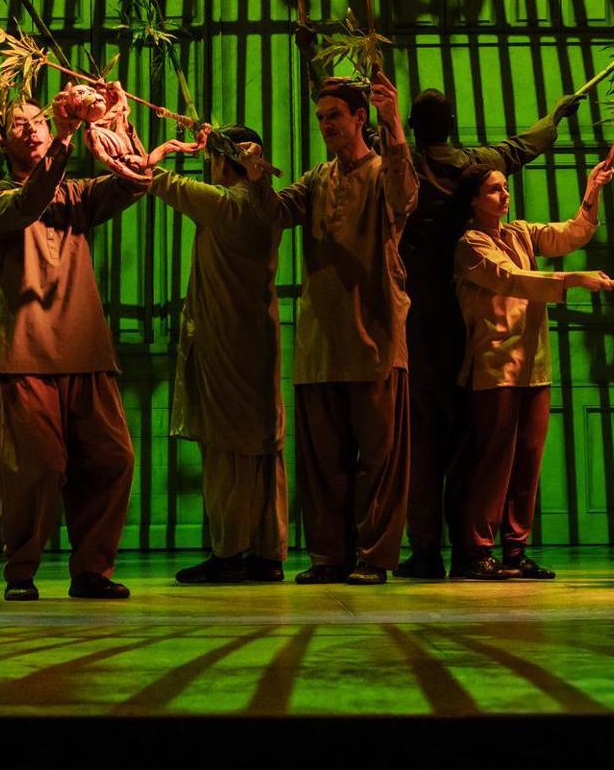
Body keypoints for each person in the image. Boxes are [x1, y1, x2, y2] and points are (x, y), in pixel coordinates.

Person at [398, 88, 581, 579]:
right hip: (477, 321)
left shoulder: (405, 163)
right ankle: (473, 547)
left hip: (425, 314)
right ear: (453, 121)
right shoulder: (475, 163)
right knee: (481, 444)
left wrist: (316, 65)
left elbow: (368, 137)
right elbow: (528, 143)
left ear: (412, 125)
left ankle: (431, 548)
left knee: (428, 437)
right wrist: (555, 112)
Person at [0, 85, 148, 602]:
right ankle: (21, 570)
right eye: (17, 125)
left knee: (112, 459)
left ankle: (91, 571)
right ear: (3, 145)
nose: (31, 129)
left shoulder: (77, 196)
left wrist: (118, 122)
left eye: (38, 120)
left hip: (85, 352)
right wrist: (66, 142)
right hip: (22, 353)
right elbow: (30, 203)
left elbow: (135, 184)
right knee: (36, 468)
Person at [277, 73, 417, 585]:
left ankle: (375, 557)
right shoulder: (316, 180)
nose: (325, 125)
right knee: (323, 464)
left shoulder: (384, 172)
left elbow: (404, 197)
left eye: (333, 115)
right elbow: (275, 210)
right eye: (319, 118)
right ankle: (327, 557)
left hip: (375, 338)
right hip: (320, 343)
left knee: (379, 460)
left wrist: (394, 124)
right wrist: (246, 174)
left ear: (360, 117)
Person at [449, 163, 613, 579]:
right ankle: (475, 551)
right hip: (496, 366)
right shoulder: (470, 244)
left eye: (505, 188)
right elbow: (513, 279)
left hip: (533, 366)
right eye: (493, 190)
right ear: (472, 199)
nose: (504, 195)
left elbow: (571, 233)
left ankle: (515, 550)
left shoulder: (519, 232)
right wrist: (572, 280)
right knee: (494, 460)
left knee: (527, 460)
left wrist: (592, 189)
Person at [141, 126, 288, 583]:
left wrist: (154, 142)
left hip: (226, 342)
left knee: (225, 448)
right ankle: (267, 552)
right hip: (258, 341)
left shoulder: (225, 204)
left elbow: (147, 174)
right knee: (262, 446)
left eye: (213, 159)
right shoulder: (266, 206)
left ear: (227, 162)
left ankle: (229, 552)